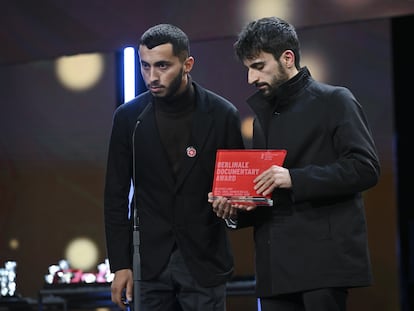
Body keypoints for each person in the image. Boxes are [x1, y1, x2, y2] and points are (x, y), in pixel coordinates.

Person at [209, 16, 380, 311]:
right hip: (274, 269)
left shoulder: (336, 100)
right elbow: (266, 196)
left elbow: (365, 169)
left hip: (323, 265)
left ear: (287, 58)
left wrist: (294, 178)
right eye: (248, 69)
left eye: (258, 66)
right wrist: (233, 211)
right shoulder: (263, 118)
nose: (251, 78)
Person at [104, 23, 244, 311]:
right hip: (149, 264)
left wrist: (231, 206)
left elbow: (236, 190)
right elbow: (115, 196)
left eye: (163, 66)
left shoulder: (222, 114)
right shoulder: (128, 119)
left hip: (204, 258)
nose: (151, 76)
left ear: (187, 64)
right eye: (145, 66)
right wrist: (120, 264)